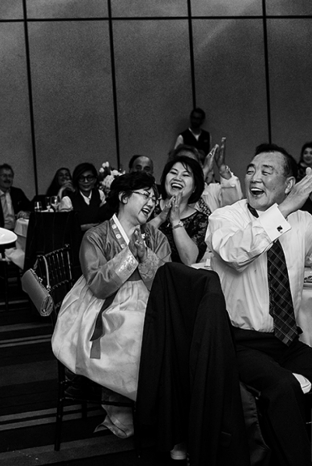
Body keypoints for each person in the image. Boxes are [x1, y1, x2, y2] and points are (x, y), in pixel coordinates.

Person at [205, 143, 312, 466]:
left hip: (286, 342)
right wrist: (282, 211)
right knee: (285, 390)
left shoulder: (302, 222)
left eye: (266, 172)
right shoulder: (224, 218)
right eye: (252, 170)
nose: (255, 177)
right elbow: (235, 255)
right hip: (238, 344)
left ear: (288, 185)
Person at [52, 171, 171, 438]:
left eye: (154, 197)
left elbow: (165, 281)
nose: (151, 202)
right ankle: (132, 407)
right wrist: (131, 255)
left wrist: (146, 256)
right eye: (145, 195)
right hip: (103, 301)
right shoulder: (95, 236)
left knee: (170, 327)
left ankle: (161, 407)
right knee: (131, 330)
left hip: (149, 297)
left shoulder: (156, 237)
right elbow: (97, 284)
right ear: (124, 197)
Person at [150, 155, 208, 265]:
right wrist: (160, 219)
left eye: (185, 175)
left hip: (176, 280)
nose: (177, 178)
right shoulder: (149, 206)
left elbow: (189, 260)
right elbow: (132, 240)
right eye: (173, 172)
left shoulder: (201, 220)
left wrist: (176, 221)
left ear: (195, 187)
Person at [62, 162, 106, 231]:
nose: (86, 181)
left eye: (89, 177)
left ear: (95, 180)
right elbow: (65, 228)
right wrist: (86, 227)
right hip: (78, 239)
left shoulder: (100, 194)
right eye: (81, 178)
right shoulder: (68, 200)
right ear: (76, 180)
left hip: (99, 238)